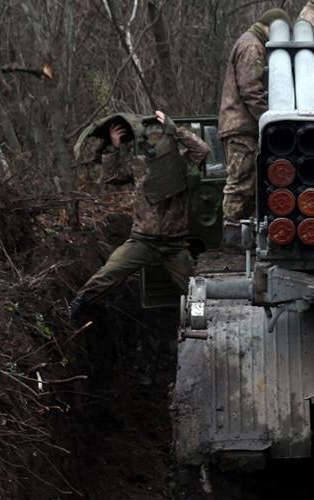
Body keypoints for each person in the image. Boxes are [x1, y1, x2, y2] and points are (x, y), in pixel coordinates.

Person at [69, 111, 209, 321]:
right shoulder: (140, 164)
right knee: (109, 273)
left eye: (159, 136)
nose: (155, 141)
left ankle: (200, 321)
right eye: (151, 137)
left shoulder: (181, 162)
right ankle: (76, 307)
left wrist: (175, 129)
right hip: (143, 240)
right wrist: (114, 147)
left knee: (194, 291)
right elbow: (112, 176)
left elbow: (202, 150)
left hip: (174, 244)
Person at [218, 8, 290, 231]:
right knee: (241, 183)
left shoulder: (250, 42)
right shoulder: (252, 46)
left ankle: (238, 232)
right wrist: (270, 122)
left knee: (247, 183)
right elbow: (251, 90)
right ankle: (232, 233)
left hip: (241, 125)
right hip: (242, 127)